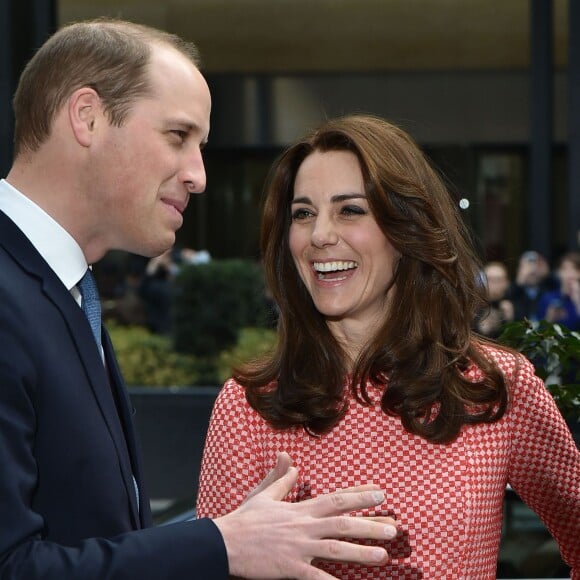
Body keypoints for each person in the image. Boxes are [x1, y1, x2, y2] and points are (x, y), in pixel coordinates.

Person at [0, 20, 398, 580]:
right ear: (86, 117)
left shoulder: (61, 292)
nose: (199, 176)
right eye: (178, 136)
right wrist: (221, 545)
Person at [196, 114, 580, 579]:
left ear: (405, 229)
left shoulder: (492, 384)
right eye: (303, 213)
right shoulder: (249, 406)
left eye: (349, 210)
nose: (319, 235)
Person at [536, 251, 580, 331]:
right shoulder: (547, 298)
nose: (570, 273)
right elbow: (538, 333)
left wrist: (577, 301)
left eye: (575, 268)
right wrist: (550, 318)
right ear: (559, 272)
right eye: (564, 268)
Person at [508, 250, 554, 322]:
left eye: (536, 265)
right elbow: (506, 296)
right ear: (518, 270)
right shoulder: (515, 291)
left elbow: (558, 284)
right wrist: (520, 280)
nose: (532, 270)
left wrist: (546, 273)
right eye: (525, 266)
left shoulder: (549, 287)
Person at [474, 261, 515, 338]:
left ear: (507, 283)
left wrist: (510, 320)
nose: (495, 284)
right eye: (490, 279)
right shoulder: (473, 307)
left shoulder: (515, 302)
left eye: (499, 280)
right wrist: (480, 329)